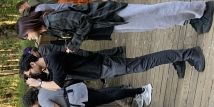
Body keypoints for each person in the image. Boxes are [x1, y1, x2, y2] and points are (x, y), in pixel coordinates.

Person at [16, 2, 214, 52]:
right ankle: (190, 19)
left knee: (155, 12)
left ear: (28, 27)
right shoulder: (50, 27)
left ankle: (201, 7)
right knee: (153, 22)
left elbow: (82, 21)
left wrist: (73, 44)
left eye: (26, 36)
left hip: (109, 15)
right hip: (109, 25)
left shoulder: (51, 21)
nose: (30, 38)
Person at [20, 47, 204, 89]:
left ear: (32, 64)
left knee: (143, 63)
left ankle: (188, 54)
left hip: (104, 66)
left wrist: (37, 83)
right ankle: (175, 59)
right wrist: (40, 79)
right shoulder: (50, 63)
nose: (33, 75)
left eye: (30, 72)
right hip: (101, 65)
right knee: (141, 64)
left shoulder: (53, 61)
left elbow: (58, 85)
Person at [23, 83, 151, 107]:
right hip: (76, 90)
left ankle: (142, 90)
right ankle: (135, 94)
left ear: (33, 103)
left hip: (78, 99)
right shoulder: (42, 89)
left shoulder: (43, 101)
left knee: (109, 97)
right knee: (104, 93)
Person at [26, 42, 125, 58]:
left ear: (34, 51)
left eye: (32, 54)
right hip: (70, 53)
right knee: (95, 55)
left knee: (96, 55)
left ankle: (118, 50)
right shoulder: (42, 53)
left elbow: (54, 55)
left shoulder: (42, 50)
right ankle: (116, 52)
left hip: (71, 52)